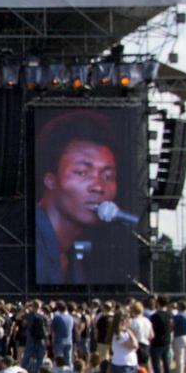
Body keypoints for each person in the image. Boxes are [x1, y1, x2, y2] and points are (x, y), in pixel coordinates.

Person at [34, 110, 130, 284]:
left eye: (108, 176)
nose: (98, 187)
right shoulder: (29, 244)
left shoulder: (70, 258)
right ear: (50, 180)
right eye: (82, 172)